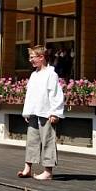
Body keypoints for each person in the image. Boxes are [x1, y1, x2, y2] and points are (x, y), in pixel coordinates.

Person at [18, 45, 65, 181]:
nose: (30, 60)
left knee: (47, 140)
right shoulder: (34, 75)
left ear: (41, 57)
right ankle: (27, 168)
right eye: (30, 57)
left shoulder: (51, 74)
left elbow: (55, 94)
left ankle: (48, 171)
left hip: (46, 113)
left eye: (32, 57)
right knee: (31, 140)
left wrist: (55, 112)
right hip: (34, 112)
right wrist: (27, 112)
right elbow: (30, 95)